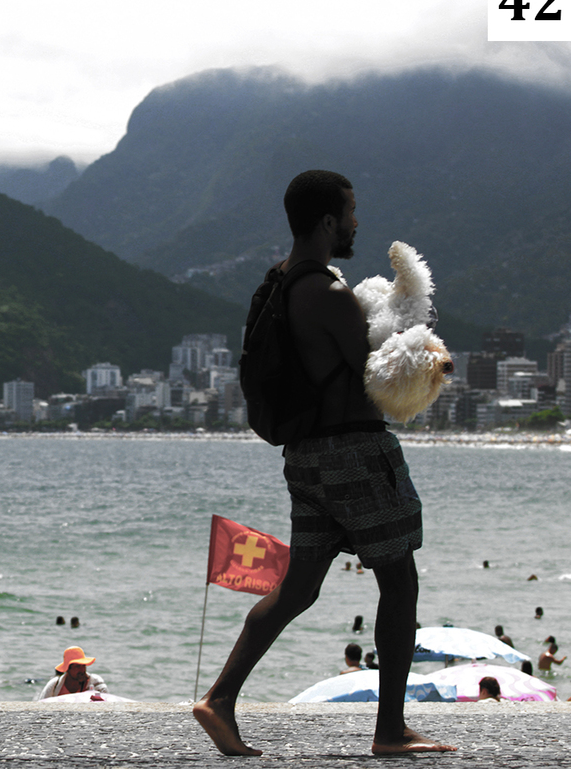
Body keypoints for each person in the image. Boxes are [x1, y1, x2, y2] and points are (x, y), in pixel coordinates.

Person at [193, 171, 455, 757]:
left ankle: (219, 700)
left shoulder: (281, 284)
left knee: (298, 588)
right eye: (351, 211)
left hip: (307, 459)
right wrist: (425, 355)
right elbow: (376, 376)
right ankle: (390, 731)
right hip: (354, 453)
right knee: (399, 581)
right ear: (329, 221)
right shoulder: (329, 295)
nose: (357, 222)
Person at [35, 646, 108, 699]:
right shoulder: (54, 686)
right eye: (77, 666)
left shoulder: (96, 683)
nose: (82, 670)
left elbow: (107, 703)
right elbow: (42, 705)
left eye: (83, 666)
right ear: (67, 669)